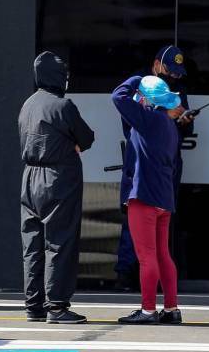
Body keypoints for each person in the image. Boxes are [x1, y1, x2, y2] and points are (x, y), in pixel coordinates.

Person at [18, 52, 95, 324]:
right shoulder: (63, 105)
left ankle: (33, 305)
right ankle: (57, 306)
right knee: (59, 242)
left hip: (29, 179)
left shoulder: (27, 104)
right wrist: (72, 145)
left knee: (33, 244)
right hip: (58, 178)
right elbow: (86, 137)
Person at [116, 45, 194, 291]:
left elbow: (119, 97)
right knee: (139, 230)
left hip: (163, 166)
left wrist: (182, 121)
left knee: (155, 238)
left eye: (178, 74)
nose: (174, 78)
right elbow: (127, 116)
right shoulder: (143, 93)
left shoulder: (169, 99)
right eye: (171, 71)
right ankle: (127, 274)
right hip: (141, 163)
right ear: (157, 64)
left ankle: (149, 304)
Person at [112, 75, 184, 325]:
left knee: (147, 256)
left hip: (143, 196)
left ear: (145, 98)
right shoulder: (168, 124)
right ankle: (171, 308)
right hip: (164, 197)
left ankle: (148, 310)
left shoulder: (147, 119)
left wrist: (136, 79)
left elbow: (118, 96)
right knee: (163, 254)